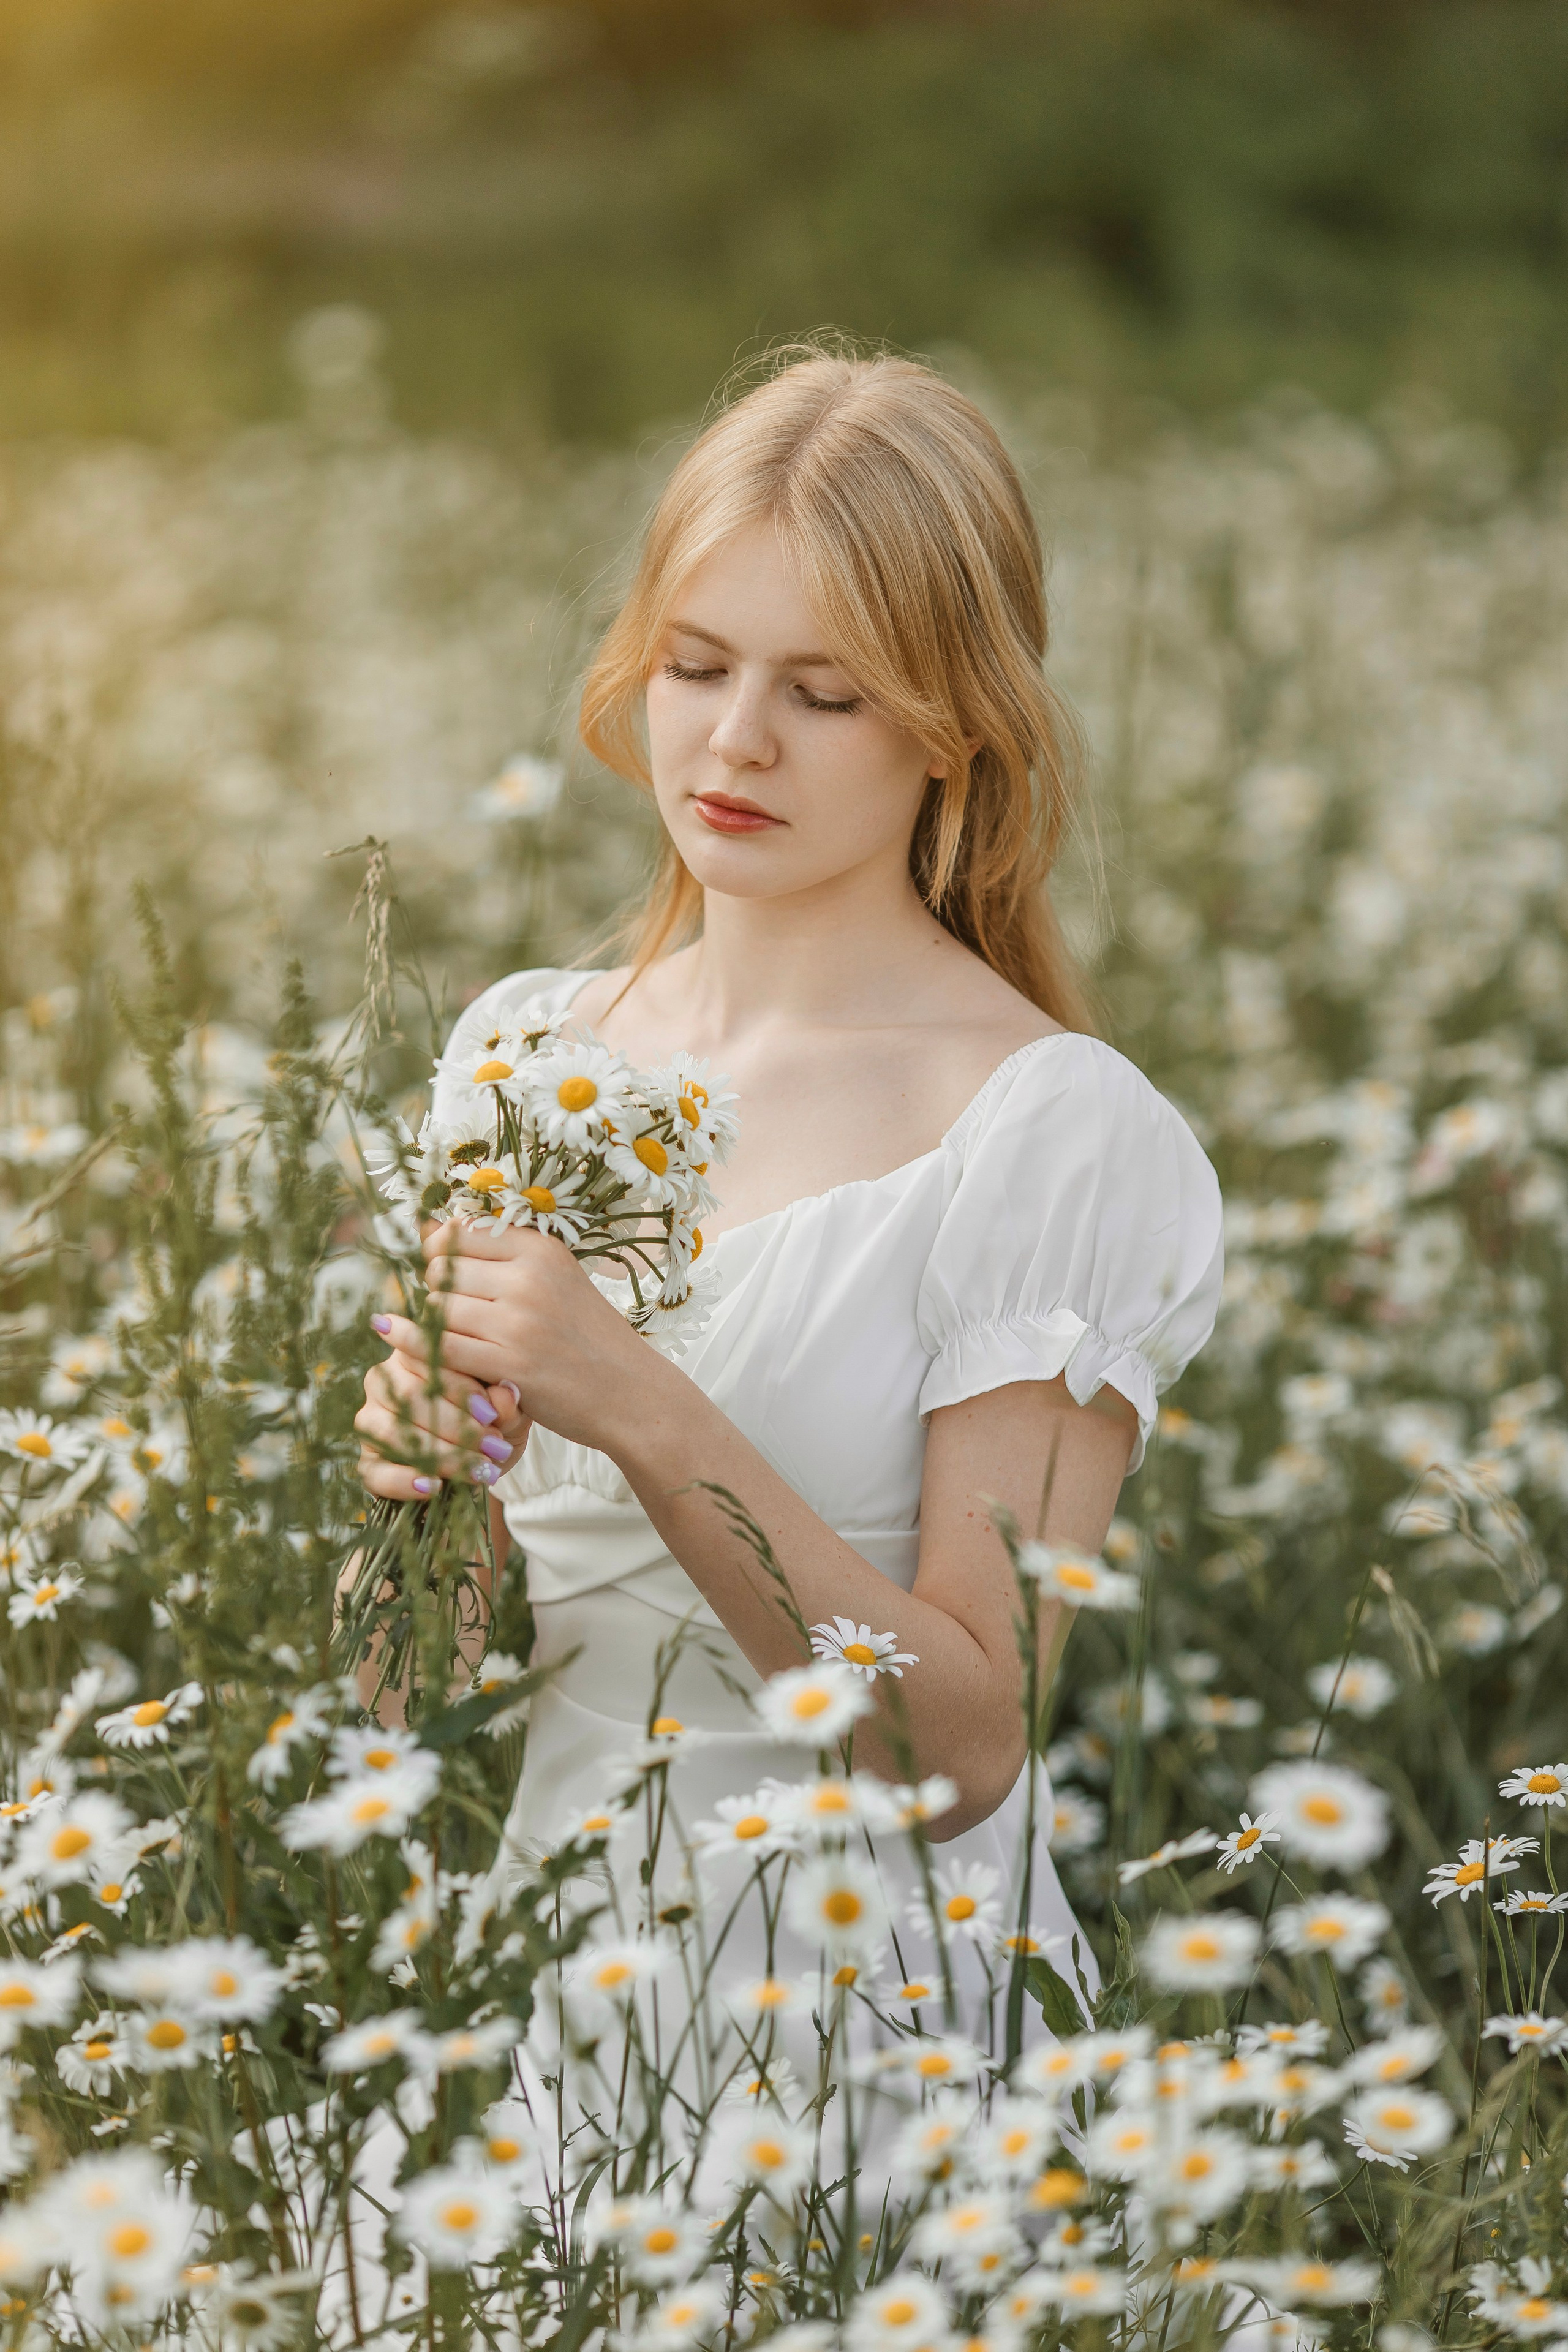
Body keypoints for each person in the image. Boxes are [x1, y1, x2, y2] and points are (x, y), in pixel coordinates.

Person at [353, 348, 1223, 2010]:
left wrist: (635, 1402)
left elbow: (960, 1753)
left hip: (876, 2025)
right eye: (695, 666)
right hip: (561, 2006)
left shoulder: (1049, 1131)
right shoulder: (524, 1054)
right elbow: (405, 1705)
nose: (736, 741)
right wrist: (417, 1491)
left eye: (826, 696)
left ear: (957, 728)